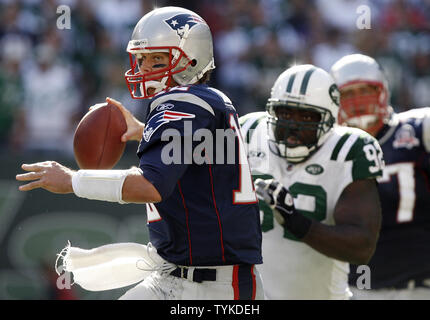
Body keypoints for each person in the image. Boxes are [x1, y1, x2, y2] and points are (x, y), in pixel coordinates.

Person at [15, 6, 263, 300]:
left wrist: (72, 181)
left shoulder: (182, 101)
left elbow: (150, 186)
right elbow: (197, 157)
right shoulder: (210, 101)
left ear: (191, 59)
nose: (145, 69)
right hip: (180, 276)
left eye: (157, 59)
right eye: (142, 59)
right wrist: (147, 130)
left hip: (214, 287)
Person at [239, 64, 383, 299]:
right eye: (285, 113)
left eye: (307, 115)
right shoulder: (248, 131)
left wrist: (295, 220)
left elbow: (362, 247)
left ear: (329, 120)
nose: (294, 124)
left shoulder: (349, 149)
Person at [331, 53, 430, 299]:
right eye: (348, 94)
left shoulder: (418, 129)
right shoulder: (329, 149)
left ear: (384, 91)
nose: (357, 101)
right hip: (354, 290)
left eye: (365, 90)